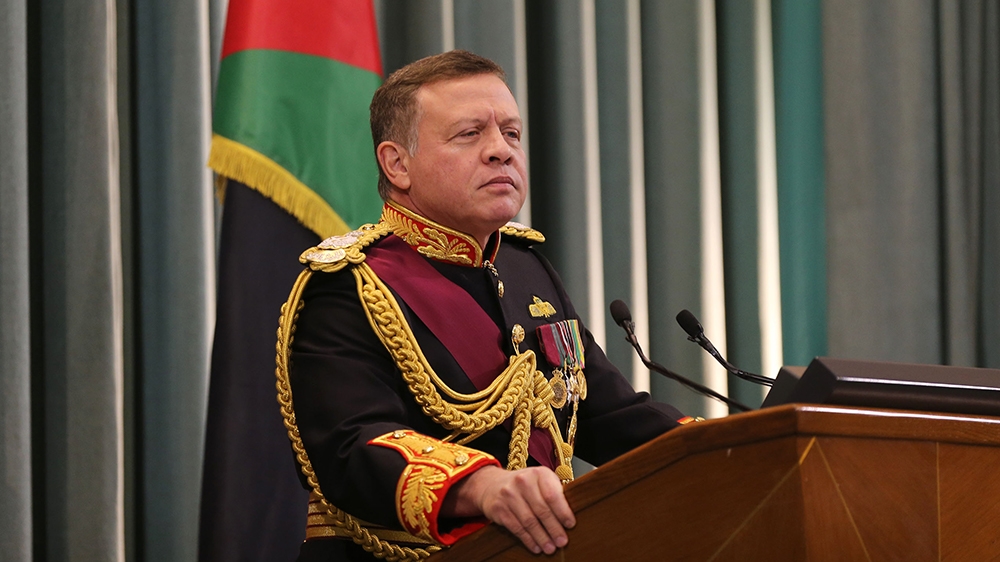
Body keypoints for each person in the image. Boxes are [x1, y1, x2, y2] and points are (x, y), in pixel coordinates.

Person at [277, 50, 691, 562]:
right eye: (470, 134)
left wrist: (739, 446)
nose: (502, 151)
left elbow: (607, 416)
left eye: (512, 133)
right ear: (397, 163)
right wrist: (482, 487)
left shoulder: (524, 267)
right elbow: (349, 447)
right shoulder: (348, 285)